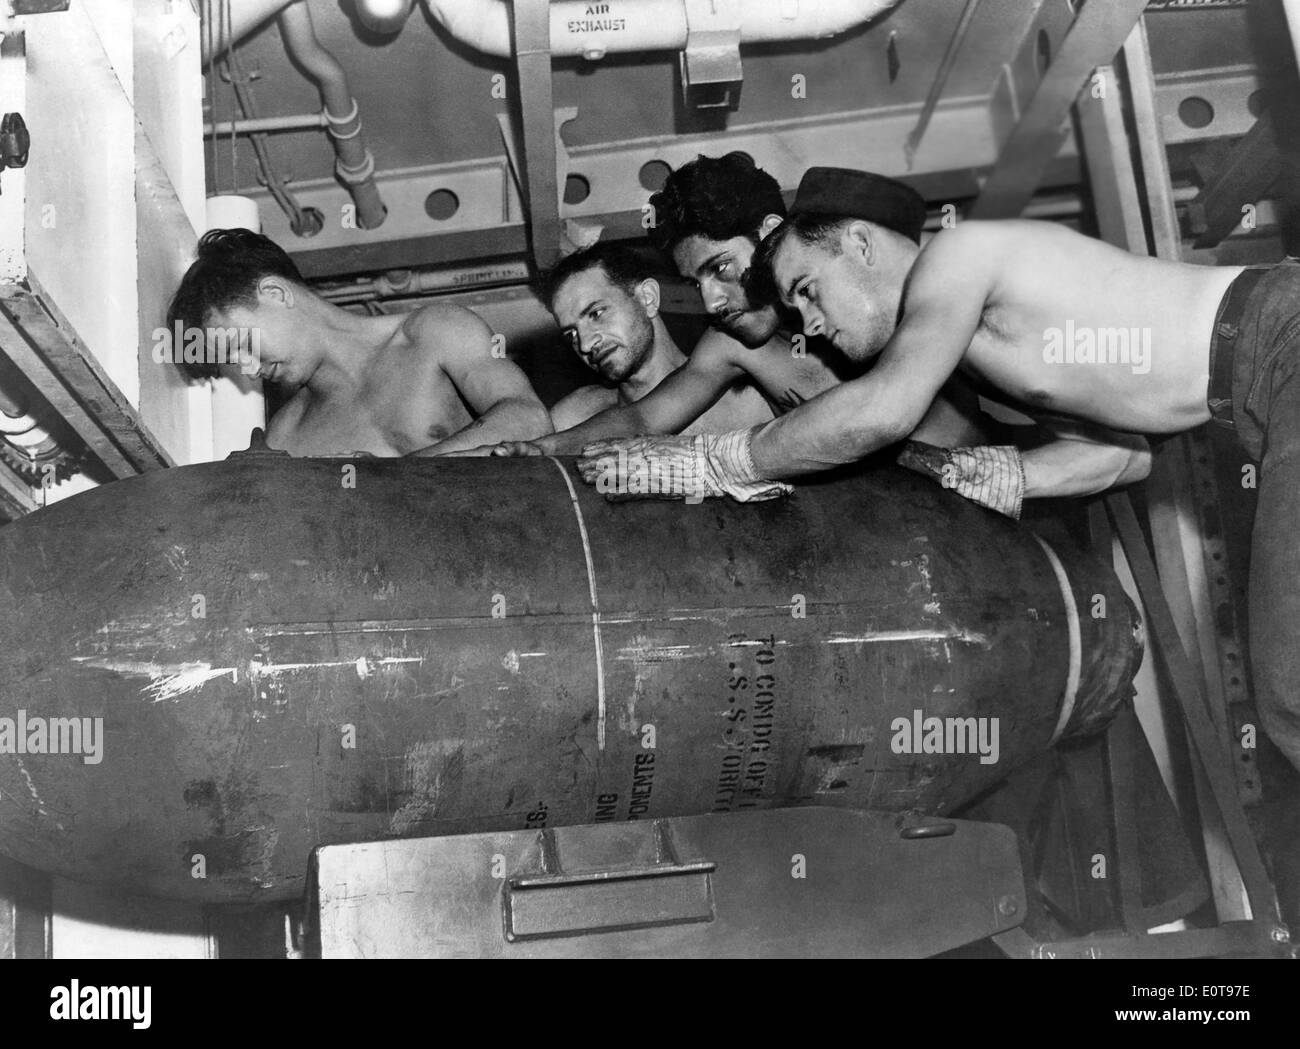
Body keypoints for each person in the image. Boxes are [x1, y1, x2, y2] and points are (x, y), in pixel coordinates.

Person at [577, 167, 1300, 776]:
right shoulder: (982, 356)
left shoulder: (961, 255)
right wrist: (1016, 474)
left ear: (859, 244)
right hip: (1258, 400)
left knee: (1290, 688)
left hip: (1284, 342)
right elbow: (1127, 452)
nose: (811, 322)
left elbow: (882, 409)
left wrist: (716, 460)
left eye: (808, 289)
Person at [487, 152, 990, 458]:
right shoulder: (731, 345)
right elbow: (643, 420)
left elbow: (886, 412)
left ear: (769, 235)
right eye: (696, 281)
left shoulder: (864, 303)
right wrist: (546, 448)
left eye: (722, 268)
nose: (710, 300)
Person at [166, 228, 551, 456]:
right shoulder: (286, 435)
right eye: (232, 363)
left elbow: (529, 419)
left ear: (275, 293)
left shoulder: (434, 333)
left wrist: (392, 479)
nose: (247, 368)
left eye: (239, 344)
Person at [541, 241, 772, 434]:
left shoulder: (748, 403)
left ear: (648, 297)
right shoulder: (573, 419)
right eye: (571, 334)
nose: (585, 343)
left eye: (596, 314)